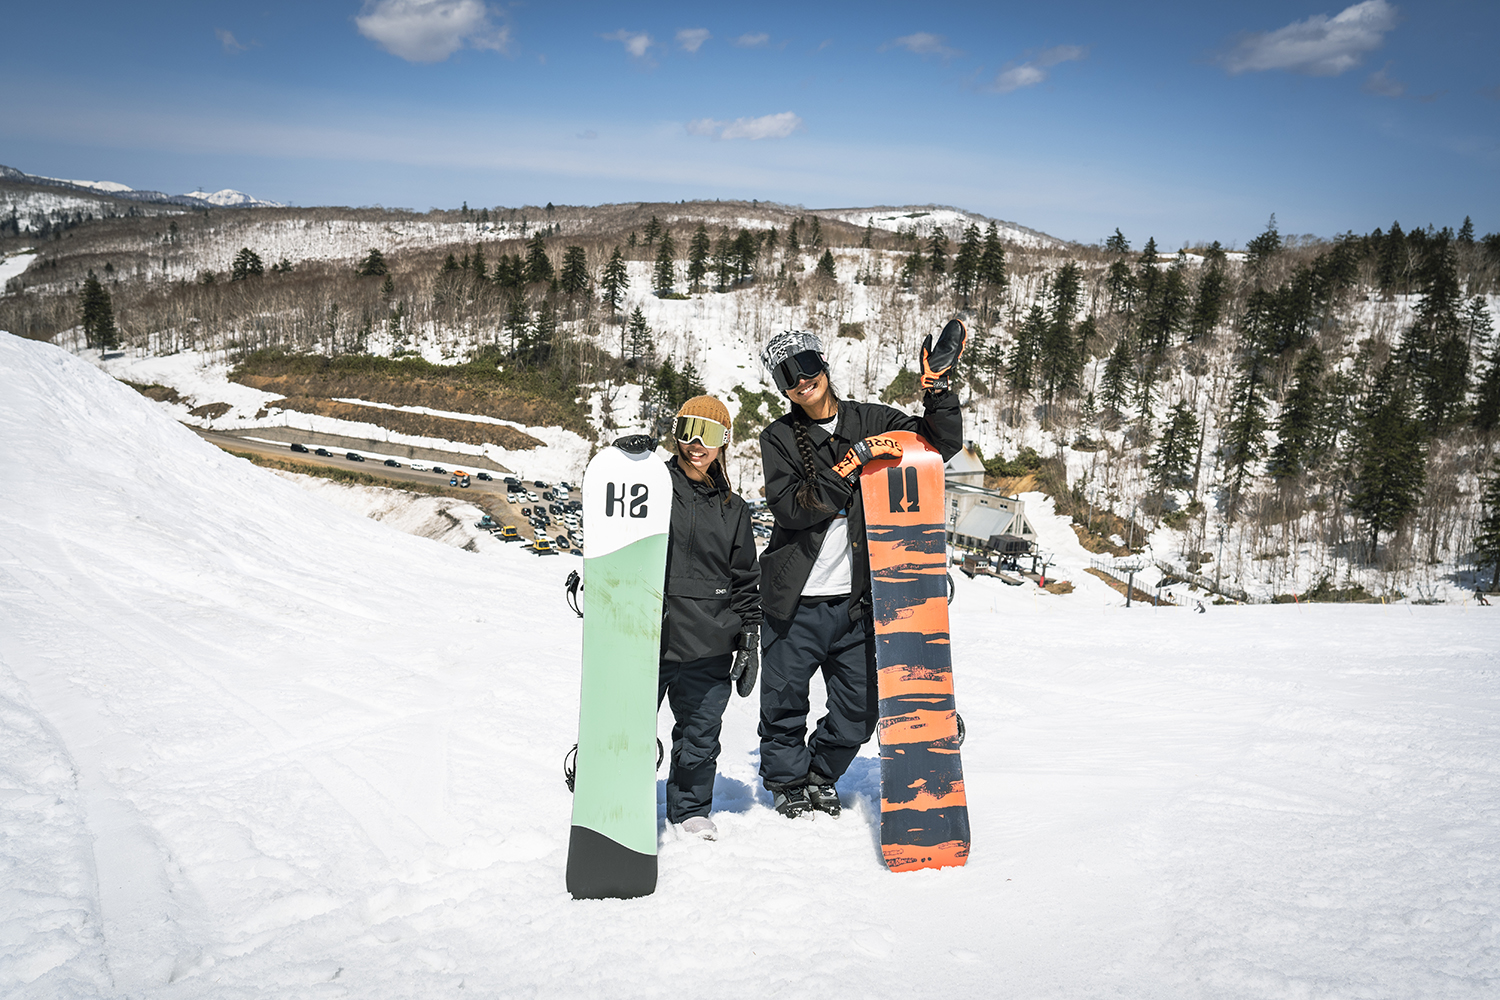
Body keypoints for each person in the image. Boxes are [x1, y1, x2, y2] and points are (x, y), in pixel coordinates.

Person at [755, 323, 966, 818]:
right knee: (784, 703)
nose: (801, 380)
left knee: (859, 711)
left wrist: (937, 391)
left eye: (806, 365)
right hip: (794, 601)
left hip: (855, 604)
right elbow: (792, 510)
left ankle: (821, 774)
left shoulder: (871, 419)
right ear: (782, 387)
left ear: (823, 365)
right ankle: (788, 782)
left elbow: (937, 446)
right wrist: (851, 464)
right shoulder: (780, 438)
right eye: (788, 375)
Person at [657, 395, 761, 840]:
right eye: (688, 431)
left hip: (710, 641)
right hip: (650, 635)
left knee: (700, 732)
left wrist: (750, 637)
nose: (697, 444)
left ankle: (690, 809)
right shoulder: (653, 485)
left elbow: (745, 579)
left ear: (725, 443)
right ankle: (618, 796)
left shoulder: (733, 510)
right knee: (628, 724)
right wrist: (626, 466)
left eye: (711, 434)